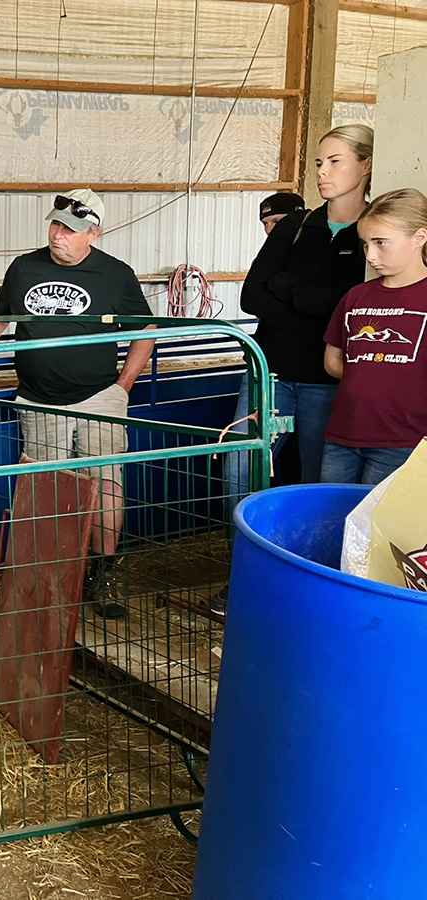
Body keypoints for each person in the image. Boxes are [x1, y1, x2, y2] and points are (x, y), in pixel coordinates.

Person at [0, 189, 156, 619]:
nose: (58, 234)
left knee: (105, 485)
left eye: (70, 228)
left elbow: (146, 328)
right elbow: (0, 311)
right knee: (46, 490)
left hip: (100, 396)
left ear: (93, 233)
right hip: (38, 398)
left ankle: (103, 572)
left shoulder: (115, 275)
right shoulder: (24, 267)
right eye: (55, 224)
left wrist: (124, 385)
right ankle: (51, 576)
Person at [216, 125, 373, 613]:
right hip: (271, 371)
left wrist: (292, 292)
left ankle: (303, 583)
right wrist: (318, 309)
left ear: (365, 166)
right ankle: (244, 572)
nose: (323, 173)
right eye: (320, 163)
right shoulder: (295, 225)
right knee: (240, 468)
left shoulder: (373, 232)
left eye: (335, 162)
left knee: (313, 478)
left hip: (329, 378)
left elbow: (353, 310)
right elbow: (250, 294)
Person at [321, 188, 427, 484]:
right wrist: (370, 374)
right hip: (343, 434)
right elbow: (332, 360)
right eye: (366, 244)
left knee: (377, 526)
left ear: (419, 238)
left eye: (381, 243)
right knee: (332, 517)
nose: (370, 255)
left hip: (405, 441)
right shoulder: (356, 296)